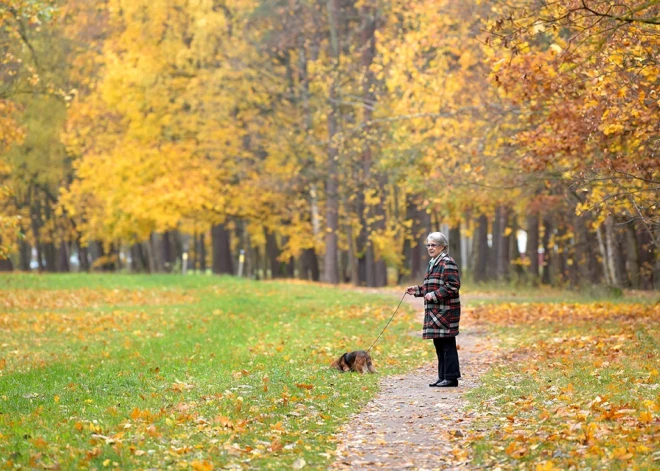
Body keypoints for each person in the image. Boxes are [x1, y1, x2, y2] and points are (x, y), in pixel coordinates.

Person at [406, 232, 461, 387]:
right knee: (439, 344)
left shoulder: (447, 262)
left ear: (443, 246)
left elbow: (453, 286)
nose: (430, 248)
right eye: (428, 245)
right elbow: (432, 286)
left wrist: (435, 295)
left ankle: (451, 378)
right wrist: (417, 291)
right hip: (436, 312)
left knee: (447, 345)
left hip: (446, 311)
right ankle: (442, 376)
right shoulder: (433, 262)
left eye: (433, 245)